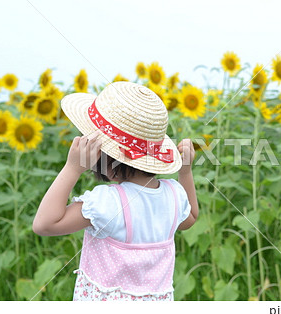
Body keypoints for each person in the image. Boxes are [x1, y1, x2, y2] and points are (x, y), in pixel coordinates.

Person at [32, 81, 199, 301]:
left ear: (105, 160)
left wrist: (72, 168)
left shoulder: (108, 203)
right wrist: (185, 172)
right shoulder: (174, 196)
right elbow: (192, 218)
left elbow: (44, 224)